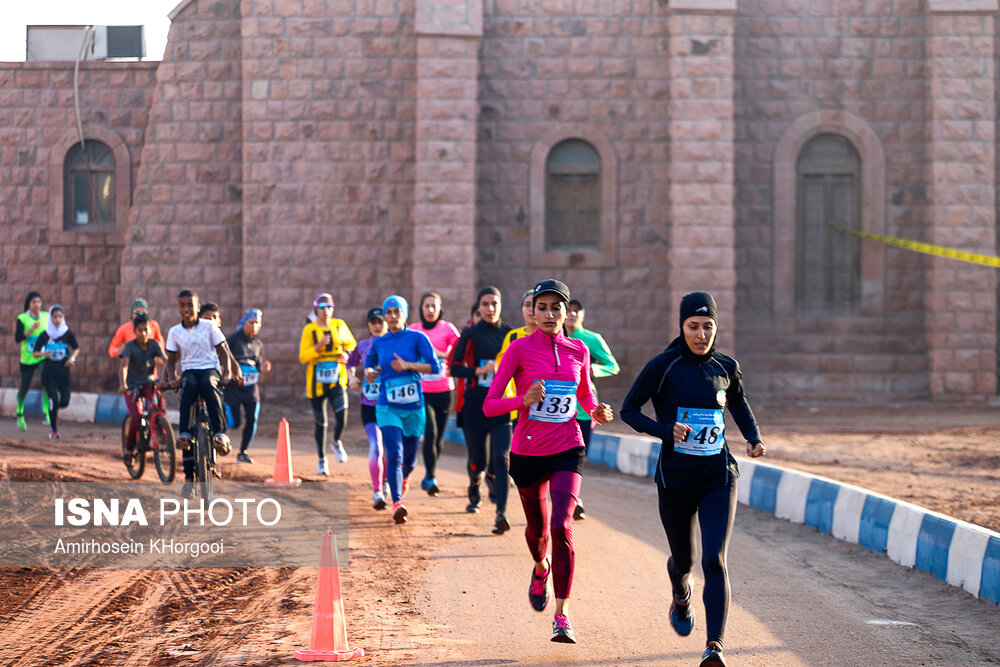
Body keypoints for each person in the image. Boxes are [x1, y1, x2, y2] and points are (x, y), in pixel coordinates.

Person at [621, 291, 766, 667]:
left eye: (707, 326)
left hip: (719, 475)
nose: (701, 334)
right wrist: (666, 430)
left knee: (714, 560)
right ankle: (681, 592)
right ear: (681, 326)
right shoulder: (664, 366)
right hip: (676, 479)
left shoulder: (726, 366)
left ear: (716, 328)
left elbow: (738, 401)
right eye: (693, 326)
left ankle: (714, 646)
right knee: (684, 562)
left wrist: (753, 439)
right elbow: (629, 410)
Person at [483, 279, 613, 644]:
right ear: (533, 311)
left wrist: (596, 411)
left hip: (568, 447)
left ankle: (562, 615)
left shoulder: (578, 350)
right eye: (543, 307)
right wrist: (521, 400)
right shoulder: (519, 350)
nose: (550, 314)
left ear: (566, 313)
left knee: (561, 525)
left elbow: (585, 396)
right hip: (527, 452)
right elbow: (489, 404)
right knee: (537, 532)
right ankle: (540, 568)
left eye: (557, 308)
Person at [364, 296, 440, 524]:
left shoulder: (417, 338)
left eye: (397, 312)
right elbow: (368, 364)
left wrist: (408, 365)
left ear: (405, 315)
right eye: (389, 312)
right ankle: (397, 503)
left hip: (414, 408)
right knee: (394, 453)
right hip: (388, 406)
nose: (393, 316)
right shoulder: (379, 342)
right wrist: (368, 372)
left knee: (409, 460)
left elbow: (434, 367)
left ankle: (404, 478)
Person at [163, 290, 242, 497]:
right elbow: (171, 361)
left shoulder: (209, 326)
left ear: (198, 307)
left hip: (210, 369)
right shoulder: (174, 332)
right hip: (189, 371)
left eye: (191, 304)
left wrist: (227, 373)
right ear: (179, 308)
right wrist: (171, 378)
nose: (187, 309)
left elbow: (224, 351)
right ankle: (186, 438)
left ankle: (220, 435)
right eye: (182, 305)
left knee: (209, 384)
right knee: (188, 388)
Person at [450, 287, 513, 533]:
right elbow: (454, 368)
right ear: (479, 308)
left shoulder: (510, 335)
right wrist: (477, 371)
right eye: (485, 304)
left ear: (500, 306)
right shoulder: (470, 334)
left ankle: (501, 514)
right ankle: (474, 487)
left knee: (501, 457)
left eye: (494, 303)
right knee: (477, 460)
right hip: (474, 407)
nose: (490, 308)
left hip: (502, 407)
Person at [564, 297, 620, 521]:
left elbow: (612, 365)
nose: (572, 314)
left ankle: (574, 497)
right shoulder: (554, 339)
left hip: (585, 409)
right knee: (559, 455)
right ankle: (567, 496)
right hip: (560, 410)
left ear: (582, 315)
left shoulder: (591, 339)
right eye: (569, 310)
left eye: (577, 311)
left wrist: (595, 369)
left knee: (579, 456)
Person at [408, 292, 460, 496]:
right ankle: (430, 476)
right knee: (429, 432)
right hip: (421, 390)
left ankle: (429, 473)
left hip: (444, 390)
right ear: (421, 309)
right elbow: (405, 351)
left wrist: (439, 354)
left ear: (440, 309)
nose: (430, 310)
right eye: (426, 306)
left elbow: (461, 351)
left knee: (438, 437)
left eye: (433, 306)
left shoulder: (448, 329)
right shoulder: (414, 330)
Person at [299, 293, 357, 474]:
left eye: (329, 307)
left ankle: (336, 441)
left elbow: (352, 344)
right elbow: (302, 357)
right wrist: (317, 348)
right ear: (315, 309)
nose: (325, 311)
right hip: (316, 384)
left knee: (342, 414)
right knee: (321, 423)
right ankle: (321, 460)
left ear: (333, 309)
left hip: (337, 380)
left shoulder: (339, 325)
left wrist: (346, 354)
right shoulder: (310, 330)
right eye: (322, 307)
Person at [347, 307, 390, 509]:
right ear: (368, 324)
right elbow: (350, 363)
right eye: (373, 322)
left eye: (380, 321)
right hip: (370, 405)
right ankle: (377, 492)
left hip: (392, 405)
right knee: (376, 446)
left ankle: (387, 481)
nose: (377, 325)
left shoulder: (394, 343)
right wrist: (352, 378)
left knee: (391, 451)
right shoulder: (363, 345)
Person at [118, 313, 167, 463]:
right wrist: (123, 384)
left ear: (150, 330)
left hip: (148, 382)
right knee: (137, 418)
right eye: (140, 330)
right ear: (134, 331)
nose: (144, 333)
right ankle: (129, 450)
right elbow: (124, 366)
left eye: (146, 330)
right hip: (132, 386)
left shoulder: (154, 345)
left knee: (158, 400)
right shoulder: (130, 347)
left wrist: (165, 371)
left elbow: (165, 359)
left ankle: (163, 433)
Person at [224, 309, 271, 464]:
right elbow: (222, 358)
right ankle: (217, 436)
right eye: (251, 322)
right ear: (244, 323)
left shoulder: (258, 344)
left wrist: (263, 367)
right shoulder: (233, 340)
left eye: (257, 323)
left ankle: (243, 452)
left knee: (252, 419)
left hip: (251, 389)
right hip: (233, 389)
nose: (254, 326)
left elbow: (257, 365)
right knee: (234, 423)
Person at [32, 305, 80, 440]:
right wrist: (43, 354)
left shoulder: (67, 333)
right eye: (55, 317)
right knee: (53, 398)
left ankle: (54, 411)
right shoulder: (45, 334)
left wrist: (72, 358)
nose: (57, 320)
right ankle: (53, 429)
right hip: (49, 373)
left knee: (64, 401)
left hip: (64, 372)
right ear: (50, 318)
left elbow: (76, 348)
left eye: (60, 317)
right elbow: (35, 353)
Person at [14, 291, 49, 429]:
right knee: (25, 387)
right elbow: (18, 339)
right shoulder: (22, 319)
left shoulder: (46, 316)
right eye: (34, 302)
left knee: (47, 380)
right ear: (29, 304)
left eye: (39, 302)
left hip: (41, 356)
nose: (37, 304)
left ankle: (47, 412)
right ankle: (20, 413)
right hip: (28, 358)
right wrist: (31, 330)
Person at [452, 302, 481, 430]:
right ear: (472, 317)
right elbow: (451, 366)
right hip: (468, 397)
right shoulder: (465, 338)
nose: (482, 317)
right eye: (478, 314)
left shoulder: (502, 336)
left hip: (495, 398)